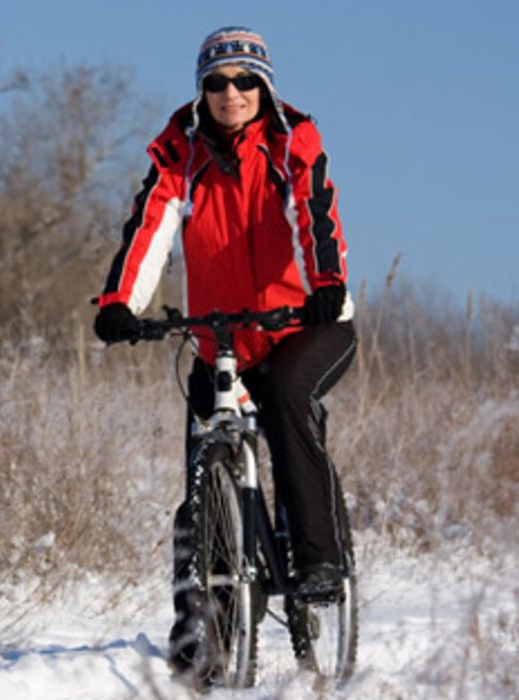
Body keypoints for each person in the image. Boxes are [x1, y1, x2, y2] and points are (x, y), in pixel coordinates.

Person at [91, 26, 357, 676]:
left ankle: (318, 560)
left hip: (305, 324)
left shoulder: (293, 139)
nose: (229, 93)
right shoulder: (179, 152)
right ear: (200, 91)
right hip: (222, 336)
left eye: (242, 80)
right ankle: (200, 641)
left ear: (262, 86)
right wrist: (118, 303)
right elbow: (149, 224)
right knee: (198, 472)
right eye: (215, 82)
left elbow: (312, 212)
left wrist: (325, 287)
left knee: (289, 398)